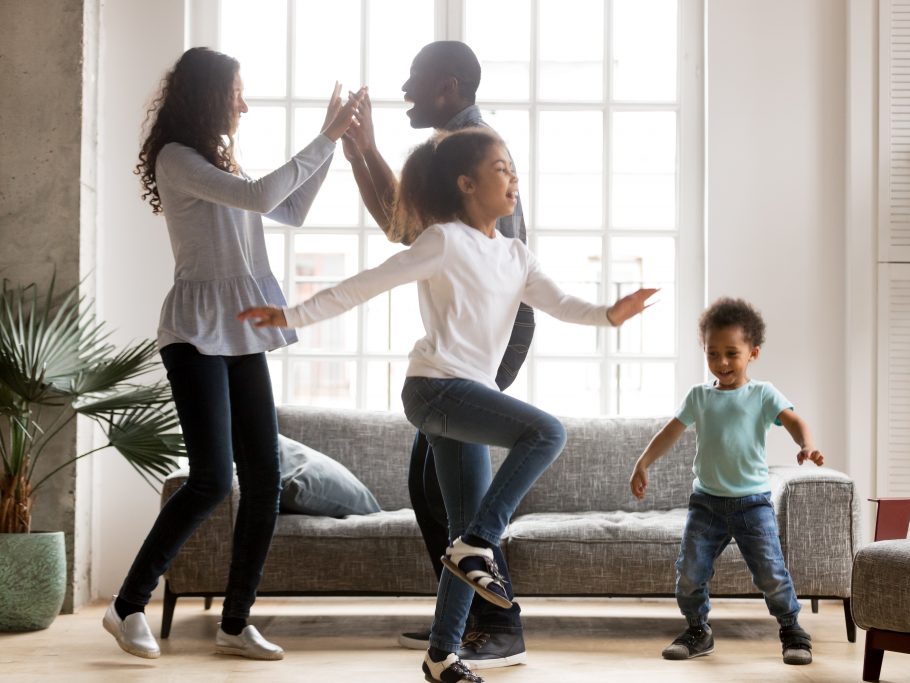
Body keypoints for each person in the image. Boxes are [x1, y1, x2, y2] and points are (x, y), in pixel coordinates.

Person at [238, 127, 656, 683]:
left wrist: (610, 313)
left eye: (512, 168)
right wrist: (290, 316)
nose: (512, 178)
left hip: (467, 396)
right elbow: (368, 282)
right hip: (435, 388)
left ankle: (442, 653)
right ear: (466, 184)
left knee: (463, 526)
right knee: (546, 434)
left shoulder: (515, 254)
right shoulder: (444, 241)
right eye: (500, 168)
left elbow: (564, 305)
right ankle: (478, 547)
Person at [103, 46, 364, 661]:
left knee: (266, 476)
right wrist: (325, 135)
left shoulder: (221, 159)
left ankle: (235, 622)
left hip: (242, 326)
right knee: (214, 479)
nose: (243, 103)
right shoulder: (178, 159)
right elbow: (258, 196)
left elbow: (289, 207)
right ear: (209, 96)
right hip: (195, 332)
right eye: (237, 92)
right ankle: (126, 605)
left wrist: (335, 142)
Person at [340, 40, 533, 668]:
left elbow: (407, 230)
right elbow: (406, 228)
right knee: (431, 480)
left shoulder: (468, 149)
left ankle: (497, 626)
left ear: (447, 87)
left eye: (415, 80)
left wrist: (364, 150)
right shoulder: (448, 148)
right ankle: (462, 622)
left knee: (447, 487)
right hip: (477, 337)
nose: (404, 90)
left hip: (491, 336)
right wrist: (361, 151)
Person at [628, 297, 825, 666]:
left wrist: (807, 445)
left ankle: (792, 630)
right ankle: (698, 630)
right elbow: (670, 432)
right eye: (712, 353)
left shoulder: (763, 393)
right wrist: (643, 462)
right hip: (706, 503)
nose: (721, 363)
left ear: (754, 353)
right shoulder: (699, 397)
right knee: (689, 572)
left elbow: (795, 421)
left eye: (731, 354)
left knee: (770, 572)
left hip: (752, 504)